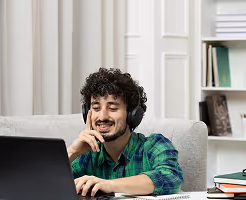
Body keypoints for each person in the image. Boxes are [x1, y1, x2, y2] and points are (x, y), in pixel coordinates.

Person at [67, 68, 183, 197]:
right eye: (95, 108)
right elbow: (45, 184)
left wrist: (108, 185)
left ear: (132, 114)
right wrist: (72, 152)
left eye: (112, 108)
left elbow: (171, 178)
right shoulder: (86, 156)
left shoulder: (154, 145)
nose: (102, 117)